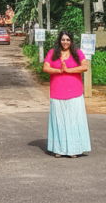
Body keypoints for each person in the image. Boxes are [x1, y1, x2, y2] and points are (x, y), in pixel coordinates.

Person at [42, 30, 91, 158]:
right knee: (59, 121)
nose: (65, 42)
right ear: (59, 40)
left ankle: (74, 149)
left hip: (74, 92)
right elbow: (45, 68)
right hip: (57, 91)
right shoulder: (52, 53)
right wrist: (59, 70)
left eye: (68, 40)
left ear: (71, 41)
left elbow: (84, 67)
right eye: (63, 39)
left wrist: (68, 70)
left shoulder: (77, 53)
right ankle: (59, 149)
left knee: (73, 121)